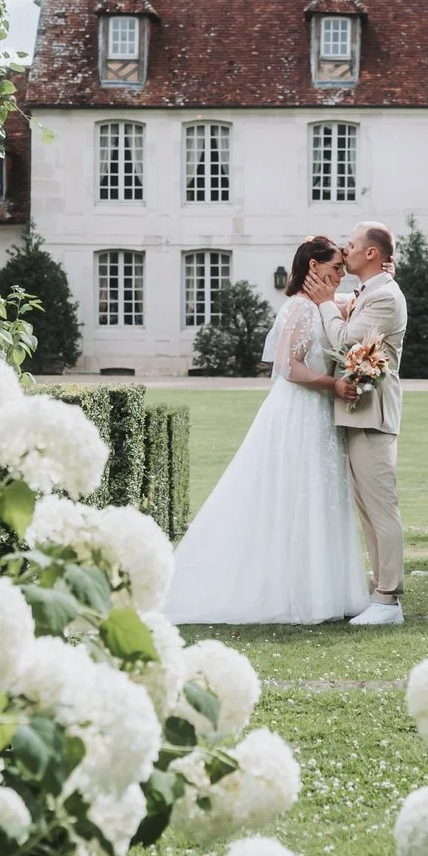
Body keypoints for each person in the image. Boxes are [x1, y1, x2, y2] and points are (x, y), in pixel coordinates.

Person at [162, 236, 370, 625]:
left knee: (318, 495)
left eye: (344, 268)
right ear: (314, 266)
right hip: (299, 411)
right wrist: (334, 385)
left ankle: (321, 589)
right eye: (336, 267)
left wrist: (378, 277)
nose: (341, 275)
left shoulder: (321, 304)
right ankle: (287, 590)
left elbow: (354, 304)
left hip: (318, 415)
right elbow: (288, 367)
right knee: (291, 494)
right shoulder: (300, 308)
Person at [332, 222, 408, 627]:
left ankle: (389, 599)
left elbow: (346, 339)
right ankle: (378, 591)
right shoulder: (369, 291)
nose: (345, 250)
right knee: (368, 511)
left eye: (351, 245)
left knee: (382, 509)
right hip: (359, 412)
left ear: (371, 253)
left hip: (374, 414)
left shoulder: (385, 297)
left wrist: (323, 303)